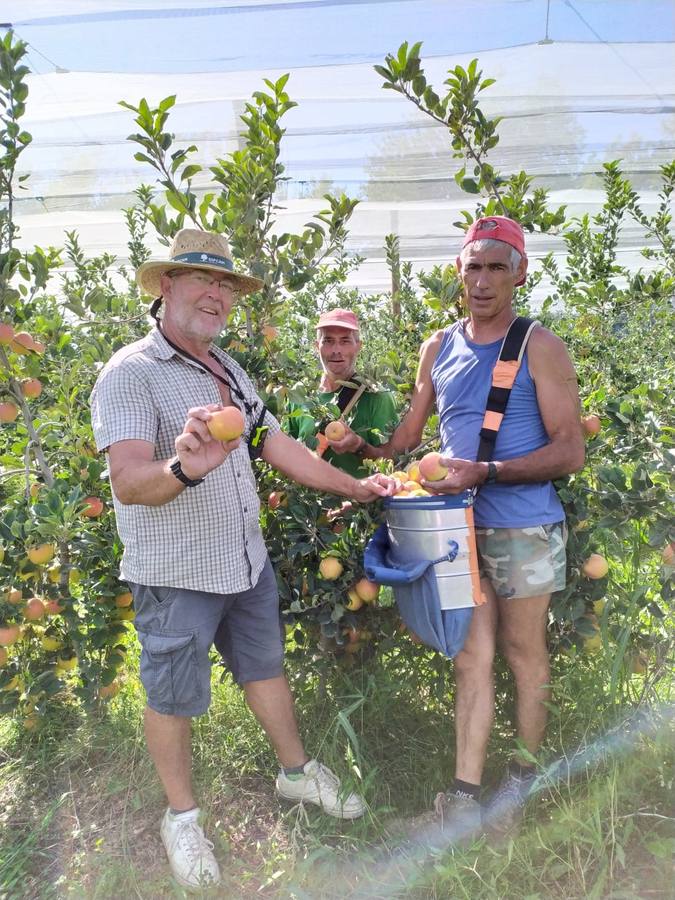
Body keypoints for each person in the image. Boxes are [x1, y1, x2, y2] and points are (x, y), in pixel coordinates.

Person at [89, 229, 396, 890]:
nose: (216, 294)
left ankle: (294, 774)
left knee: (264, 669)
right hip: (176, 573)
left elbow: (275, 445)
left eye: (226, 284)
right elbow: (129, 483)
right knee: (171, 695)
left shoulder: (227, 369)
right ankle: (181, 817)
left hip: (243, 561)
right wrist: (184, 466)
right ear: (165, 285)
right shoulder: (130, 373)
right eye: (202, 279)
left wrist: (356, 484)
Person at [369, 216, 585, 840]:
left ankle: (521, 781)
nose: (483, 280)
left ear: (520, 273)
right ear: (457, 274)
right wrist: (366, 448)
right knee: (471, 655)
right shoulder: (437, 346)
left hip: (523, 529)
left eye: (497, 267)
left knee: (523, 652)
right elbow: (411, 435)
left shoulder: (538, 344)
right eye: (473, 267)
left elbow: (570, 450)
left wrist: (484, 469)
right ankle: (464, 796)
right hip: (453, 531)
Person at [287, 308, 398, 478]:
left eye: (345, 341)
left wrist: (359, 446)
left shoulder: (377, 397)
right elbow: (284, 451)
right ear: (317, 347)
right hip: (306, 502)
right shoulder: (300, 395)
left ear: (358, 347)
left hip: (359, 503)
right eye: (328, 341)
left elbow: (392, 462)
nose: (336, 350)